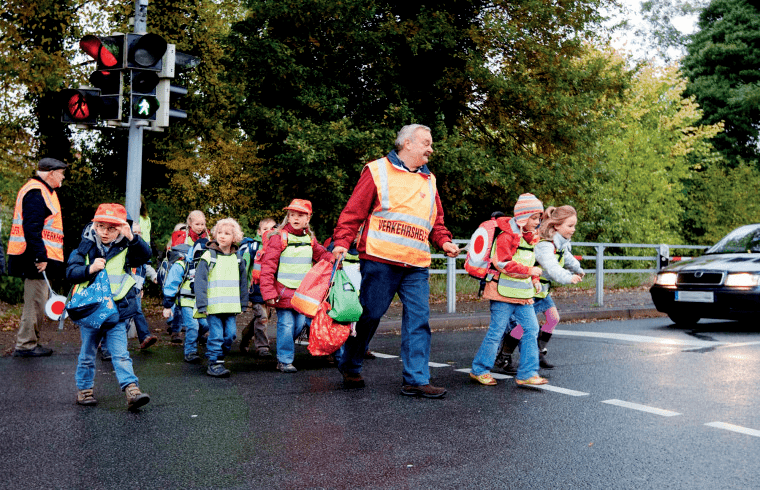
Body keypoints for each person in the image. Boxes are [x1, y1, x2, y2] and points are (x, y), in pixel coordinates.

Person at [331, 124, 460, 398]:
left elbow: (435, 221)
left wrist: (445, 241)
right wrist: (342, 242)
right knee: (370, 315)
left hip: (416, 264)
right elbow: (353, 212)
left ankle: (416, 379)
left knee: (419, 320)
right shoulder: (377, 170)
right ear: (408, 143)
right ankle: (350, 364)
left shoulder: (429, 180)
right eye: (426, 142)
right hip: (380, 259)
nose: (431, 148)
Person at [66, 203, 151, 410]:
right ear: (94, 225)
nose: (105, 232)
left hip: (117, 312)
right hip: (91, 311)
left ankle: (132, 390)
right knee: (87, 354)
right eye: (101, 226)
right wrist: (89, 269)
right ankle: (84, 390)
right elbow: (70, 272)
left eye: (112, 228)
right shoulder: (85, 246)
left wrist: (132, 238)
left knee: (121, 354)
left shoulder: (126, 248)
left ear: (121, 228)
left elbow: (145, 255)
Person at [469, 193, 548, 387]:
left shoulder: (530, 238)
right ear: (523, 216)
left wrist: (535, 278)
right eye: (535, 217)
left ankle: (527, 373)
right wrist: (531, 272)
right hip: (501, 293)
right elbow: (504, 264)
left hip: (522, 294)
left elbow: (529, 261)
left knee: (531, 329)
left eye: (539, 218)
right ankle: (479, 369)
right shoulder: (506, 236)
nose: (538, 222)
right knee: (496, 332)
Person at [495, 205, 585, 373]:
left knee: (553, 318)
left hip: (542, 290)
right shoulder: (544, 245)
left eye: (574, 226)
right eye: (570, 226)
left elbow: (567, 257)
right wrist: (568, 277)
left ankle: (537, 351)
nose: (573, 230)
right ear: (556, 225)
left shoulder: (561, 243)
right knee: (522, 326)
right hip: (532, 289)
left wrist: (577, 268)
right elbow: (552, 268)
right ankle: (504, 355)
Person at [260, 200, 333, 373]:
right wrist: (268, 291)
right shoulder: (280, 237)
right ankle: (284, 360)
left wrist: (333, 259)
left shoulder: (310, 238)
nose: (295, 218)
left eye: (300, 215)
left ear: (308, 218)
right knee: (286, 324)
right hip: (283, 291)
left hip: (303, 294)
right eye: (292, 215)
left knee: (299, 325)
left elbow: (321, 254)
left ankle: (283, 349)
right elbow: (268, 266)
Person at [8, 157, 67, 357]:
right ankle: (26, 345)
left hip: (34, 257)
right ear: (51, 173)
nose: (63, 176)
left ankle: (29, 343)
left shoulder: (41, 191)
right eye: (61, 172)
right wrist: (41, 256)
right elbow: (31, 228)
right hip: (34, 259)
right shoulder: (36, 192)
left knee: (37, 301)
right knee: (35, 302)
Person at [194, 218, 249, 377]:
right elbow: (200, 282)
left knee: (230, 335)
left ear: (235, 237)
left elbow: (243, 282)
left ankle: (217, 356)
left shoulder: (238, 258)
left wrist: (243, 303)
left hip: (231, 306)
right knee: (216, 335)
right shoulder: (208, 256)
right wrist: (202, 304)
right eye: (219, 233)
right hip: (214, 306)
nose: (222, 236)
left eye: (227, 233)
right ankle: (214, 363)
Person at [162, 229, 205, 364]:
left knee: (205, 325)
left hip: (202, 302)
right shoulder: (182, 264)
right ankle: (190, 351)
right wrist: (168, 306)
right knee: (193, 326)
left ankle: (195, 340)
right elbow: (171, 285)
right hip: (187, 301)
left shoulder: (208, 264)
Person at [239, 217, 277, 357]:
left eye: (272, 229)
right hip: (255, 288)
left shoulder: (278, 245)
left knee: (264, 316)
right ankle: (262, 347)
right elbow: (245, 267)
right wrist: (243, 288)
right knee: (262, 317)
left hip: (271, 289)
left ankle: (246, 335)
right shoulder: (253, 246)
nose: (269, 232)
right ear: (259, 232)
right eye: (265, 229)